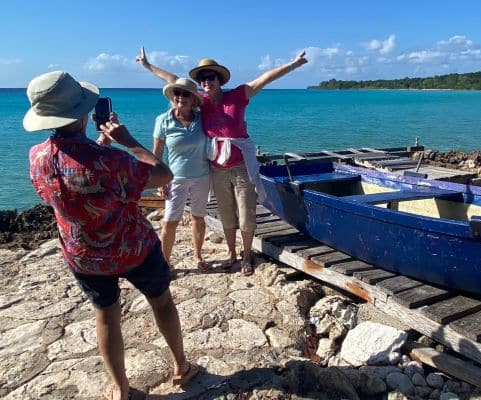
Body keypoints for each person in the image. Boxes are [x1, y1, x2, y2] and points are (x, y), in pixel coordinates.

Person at [24, 71, 199, 400]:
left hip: (83, 254)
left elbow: (70, 179)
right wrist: (128, 141)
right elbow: (163, 173)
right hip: (134, 248)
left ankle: (119, 388)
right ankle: (180, 366)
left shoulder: (37, 158)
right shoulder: (114, 160)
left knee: (106, 316)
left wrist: (99, 147)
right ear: (84, 113)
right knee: (161, 303)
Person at [137, 46, 308, 276]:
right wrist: (148, 66)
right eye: (202, 78)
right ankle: (231, 254)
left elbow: (264, 79)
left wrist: (293, 65)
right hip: (216, 166)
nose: (206, 81)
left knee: (246, 214)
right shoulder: (201, 101)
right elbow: (174, 81)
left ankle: (247, 255)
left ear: (219, 79)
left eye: (211, 77)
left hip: (241, 166)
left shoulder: (238, 95)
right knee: (226, 214)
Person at [153, 77, 211, 271]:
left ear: (194, 99)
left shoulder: (202, 118)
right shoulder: (163, 120)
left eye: (186, 94)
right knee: (169, 222)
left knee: (198, 218)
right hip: (174, 179)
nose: (181, 97)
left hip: (202, 177)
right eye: (177, 93)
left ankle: (197, 255)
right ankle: (164, 263)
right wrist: (160, 181)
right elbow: (157, 155)